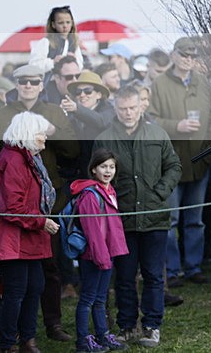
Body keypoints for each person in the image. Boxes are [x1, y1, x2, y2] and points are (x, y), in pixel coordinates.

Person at [0, 63, 80, 342]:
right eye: (24, 82)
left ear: (42, 84)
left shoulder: (53, 113)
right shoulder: (2, 119)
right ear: (17, 85)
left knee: (47, 271)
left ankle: (51, 325)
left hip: (46, 203)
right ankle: (15, 337)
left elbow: (73, 151)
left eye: (34, 81)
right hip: (18, 209)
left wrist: (55, 131)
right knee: (19, 282)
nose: (29, 86)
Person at [93, 85, 182, 347]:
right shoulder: (105, 138)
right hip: (121, 220)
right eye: (123, 109)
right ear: (115, 108)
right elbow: (96, 173)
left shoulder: (157, 133)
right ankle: (127, 325)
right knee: (124, 275)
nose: (128, 113)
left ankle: (152, 325)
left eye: (133, 107)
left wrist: (160, 192)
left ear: (141, 106)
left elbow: (174, 166)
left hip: (155, 218)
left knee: (154, 275)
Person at [0, 111, 59, 353]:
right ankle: (8, 344)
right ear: (26, 134)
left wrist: (38, 222)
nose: (45, 138)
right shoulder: (14, 160)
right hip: (12, 236)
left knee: (35, 285)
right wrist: (42, 222)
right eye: (40, 133)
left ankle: (28, 339)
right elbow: (11, 207)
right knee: (16, 290)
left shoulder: (29, 159)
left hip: (27, 234)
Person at [149, 37, 211, 287]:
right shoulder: (159, 83)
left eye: (192, 56)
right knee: (171, 219)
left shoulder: (204, 83)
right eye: (184, 55)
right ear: (174, 55)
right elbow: (150, 119)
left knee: (195, 219)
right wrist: (175, 126)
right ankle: (173, 269)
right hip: (170, 162)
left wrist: (209, 150)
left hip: (199, 160)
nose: (188, 60)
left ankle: (193, 266)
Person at [70, 149, 129, 352]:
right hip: (93, 256)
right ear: (93, 169)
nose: (108, 171)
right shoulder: (90, 195)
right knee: (87, 298)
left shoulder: (109, 190)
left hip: (107, 254)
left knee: (101, 298)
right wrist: (101, 257)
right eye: (103, 166)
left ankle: (102, 335)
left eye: (112, 167)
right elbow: (93, 231)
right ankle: (83, 340)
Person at [29, 5, 84, 73]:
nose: (65, 26)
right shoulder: (45, 42)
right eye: (61, 23)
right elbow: (33, 65)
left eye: (68, 22)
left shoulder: (74, 43)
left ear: (72, 23)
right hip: (49, 82)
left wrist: (74, 60)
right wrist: (53, 62)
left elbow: (80, 66)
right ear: (53, 25)